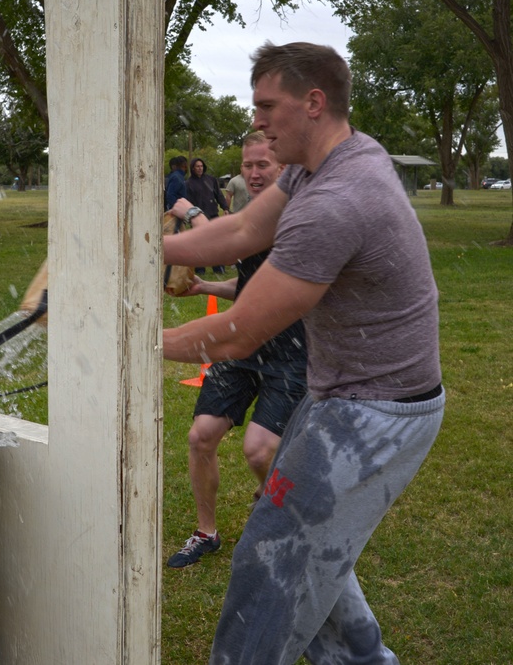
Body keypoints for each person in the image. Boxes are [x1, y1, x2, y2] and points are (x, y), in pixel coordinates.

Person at [163, 41, 444, 664]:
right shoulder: (325, 162)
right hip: (345, 393)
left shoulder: (337, 202)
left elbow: (237, 334)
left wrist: (124, 344)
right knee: (313, 555)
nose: (257, 120)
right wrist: (145, 246)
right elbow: (239, 230)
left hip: (375, 415)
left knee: (271, 564)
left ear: (313, 103)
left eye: (268, 106)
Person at [165, 132, 306, 569]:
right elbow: (250, 286)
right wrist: (208, 286)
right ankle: (206, 532)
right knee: (200, 436)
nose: (254, 172)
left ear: (284, 166)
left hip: (292, 353)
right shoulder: (250, 212)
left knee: (260, 451)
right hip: (242, 351)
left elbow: (236, 243)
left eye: (263, 164)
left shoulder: (295, 216)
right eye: (248, 166)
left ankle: (282, 512)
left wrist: (196, 217)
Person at [185, 157, 229, 273]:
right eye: (197, 166)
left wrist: (225, 207)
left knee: (216, 243)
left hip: (213, 214)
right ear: (193, 168)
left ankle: (219, 269)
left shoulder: (211, 180)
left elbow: (218, 195)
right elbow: (188, 202)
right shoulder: (189, 183)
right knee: (199, 244)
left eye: (201, 166)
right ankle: (200, 269)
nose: (200, 168)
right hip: (198, 216)